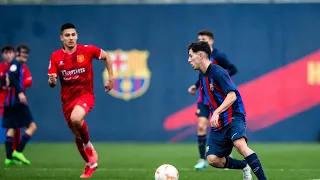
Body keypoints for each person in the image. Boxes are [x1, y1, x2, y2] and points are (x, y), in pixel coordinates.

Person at [187, 41, 268, 180]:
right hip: (219, 121)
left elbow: (232, 96)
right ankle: (244, 165)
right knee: (212, 159)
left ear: (200, 55)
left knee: (240, 145)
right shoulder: (202, 75)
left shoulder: (218, 72)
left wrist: (217, 112)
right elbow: (211, 97)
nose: (189, 60)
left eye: (190, 56)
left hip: (233, 116)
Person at [47, 23, 114, 178]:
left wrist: (111, 78)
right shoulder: (56, 56)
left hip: (85, 95)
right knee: (76, 134)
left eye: (73, 35)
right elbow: (52, 82)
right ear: (61, 38)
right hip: (67, 101)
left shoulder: (87, 50)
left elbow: (106, 56)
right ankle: (91, 164)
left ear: (77, 36)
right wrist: (52, 81)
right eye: (67, 35)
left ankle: (89, 147)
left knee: (76, 119)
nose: (70, 38)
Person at [187, 30, 237, 170]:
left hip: (218, 99)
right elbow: (202, 76)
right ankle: (202, 159)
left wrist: (220, 78)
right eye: (199, 39)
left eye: (203, 38)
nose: (200, 41)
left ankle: (226, 156)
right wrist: (195, 86)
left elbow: (232, 69)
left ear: (211, 40)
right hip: (204, 98)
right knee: (202, 126)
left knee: (224, 127)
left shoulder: (218, 56)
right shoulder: (198, 57)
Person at [2, 45, 37, 166]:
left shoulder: (18, 66)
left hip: (9, 102)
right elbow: (11, 76)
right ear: (17, 53)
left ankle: (8, 158)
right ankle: (18, 151)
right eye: (23, 54)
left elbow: (6, 79)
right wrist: (20, 93)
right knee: (32, 126)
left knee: (11, 129)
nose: (25, 57)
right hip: (16, 102)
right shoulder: (15, 65)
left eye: (27, 54)